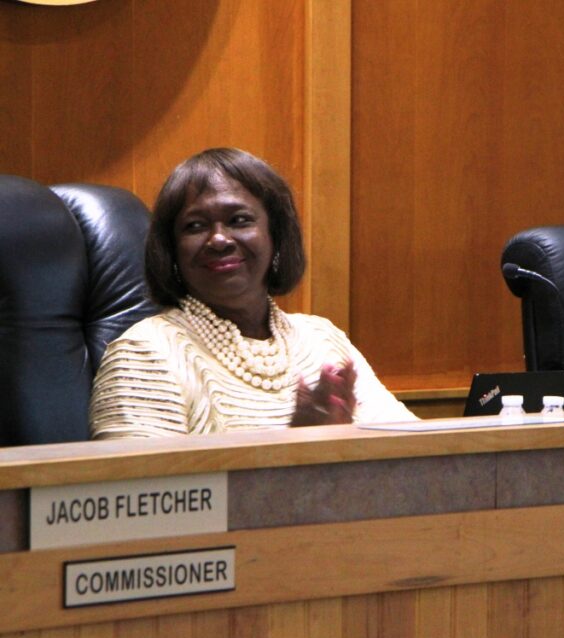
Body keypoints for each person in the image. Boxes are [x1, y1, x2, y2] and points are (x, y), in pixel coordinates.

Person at [90, 148, 416, 438]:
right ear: (172, 251)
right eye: (195, 226)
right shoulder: (144, 352)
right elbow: (135, 499)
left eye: (239, 220)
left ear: (275, 236)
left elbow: (413, 452)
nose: (219, 239)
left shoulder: (322, 338)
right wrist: (297, 453)